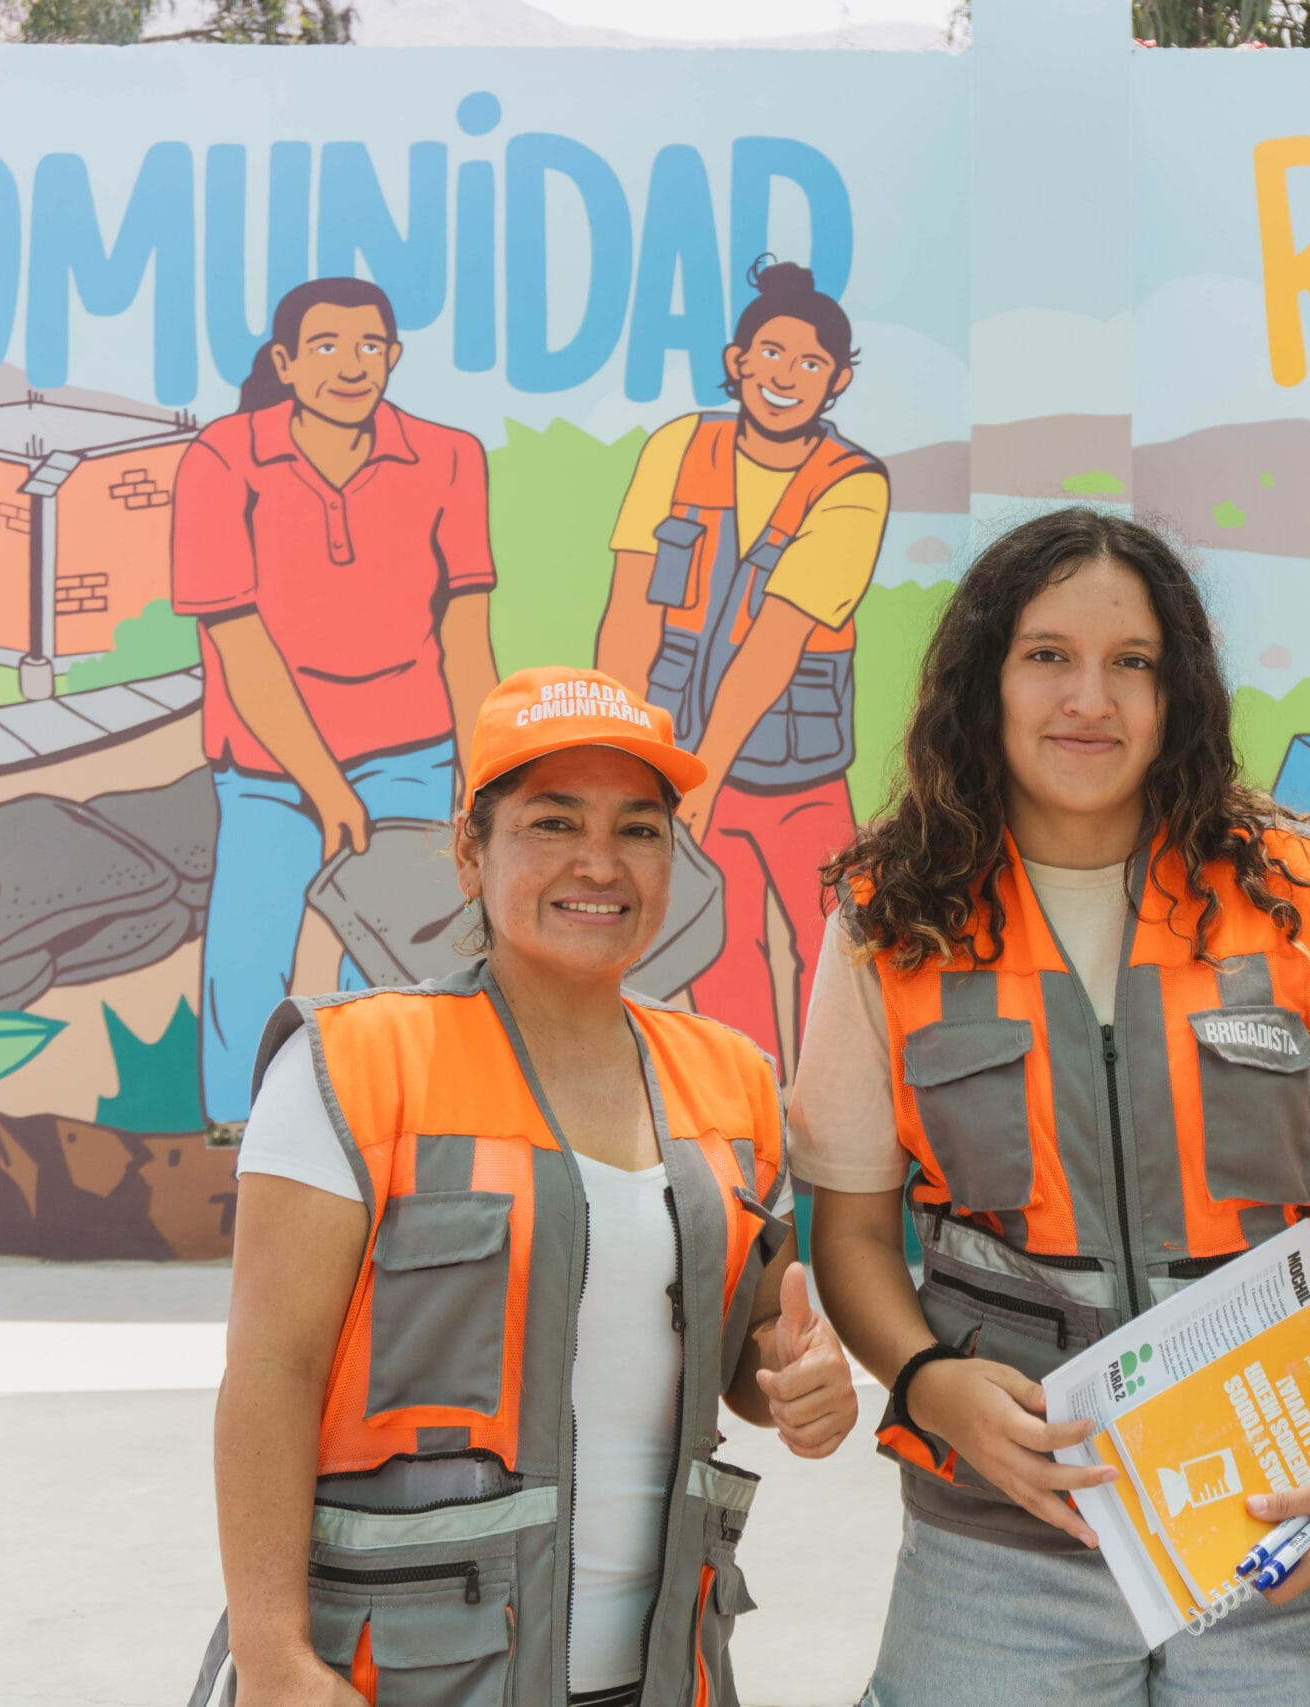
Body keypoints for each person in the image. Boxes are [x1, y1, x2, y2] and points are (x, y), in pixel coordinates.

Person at [798, 507, 1310, 1705]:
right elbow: (848, 1235)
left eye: (1129, 663)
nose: (1088, 698)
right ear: (985, 680)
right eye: (1047, 656)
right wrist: (926, 1378)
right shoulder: (888, 918)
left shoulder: (1300, 899)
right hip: (1002, 1537)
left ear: (1175, 690)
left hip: (1277, 1515)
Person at [190, 666, 857, 1707]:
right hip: (404, 1673)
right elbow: (270, 1372)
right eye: (553, 823)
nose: (600, 863)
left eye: (639, 830)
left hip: (662, 1675)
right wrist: (275, 1657)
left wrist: (800, 1379)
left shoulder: (731, 1078)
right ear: (471, 852)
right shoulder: (352, 1064)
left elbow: (747, 1353)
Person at [173, 276, 501, 1137]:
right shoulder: (219, 459)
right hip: (268, 760)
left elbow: (467, 636)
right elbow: (239, 646)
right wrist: (324, 787)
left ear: (393, 356)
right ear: (285, 362)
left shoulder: (450, 457)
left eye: (368, 345)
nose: (349, 365)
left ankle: (374, 1121)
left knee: (397, 952)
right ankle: (240, 1128)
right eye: (323, 345)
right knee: (252, 942)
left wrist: (488, 779)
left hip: (412, 748)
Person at [596, 258, 891, 1066]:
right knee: (721, 954)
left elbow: (777, 642)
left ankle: (840, 1138)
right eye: (771, 352)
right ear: (737, 360)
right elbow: (630, 611)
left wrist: (701, 771)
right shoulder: (679, 448)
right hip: (687, 759)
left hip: (794, 769)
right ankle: (745, 1124)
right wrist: (623, 755)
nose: (786, 376)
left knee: (835, 946)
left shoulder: (852, 485)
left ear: (837, 380)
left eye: (811, 363)